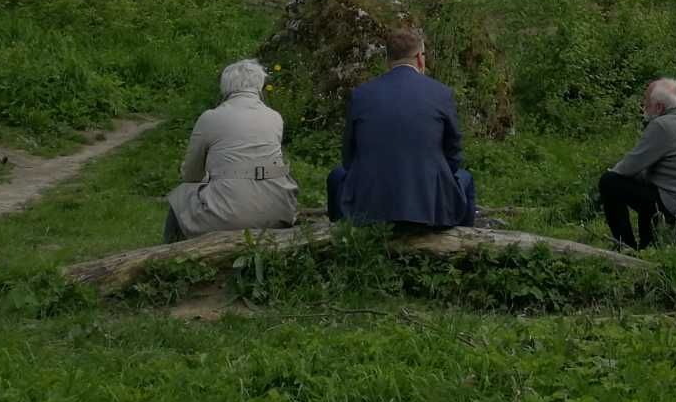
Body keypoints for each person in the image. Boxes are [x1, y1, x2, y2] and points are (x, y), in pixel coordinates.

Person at [327, 27, 476, 229]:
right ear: (420, 58)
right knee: (466, 178)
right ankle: (464, 242)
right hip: (429, 208)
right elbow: (453, 154)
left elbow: (348, 157)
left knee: (336, 176)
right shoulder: (441, 94)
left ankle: (346, 240)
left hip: (369, 208)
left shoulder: (361, 94)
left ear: (388, 60)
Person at [164, 58, 300, 242]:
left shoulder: (210, 118)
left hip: (228, 216)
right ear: (259, 84)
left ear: (225, 86)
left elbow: (191, 175)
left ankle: (167, 258)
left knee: (179, 196)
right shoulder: (275, 117)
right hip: (277, 210)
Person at [599, 77, 676, 249]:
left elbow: (629, 167)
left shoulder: (663, 126)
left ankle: (625, 246)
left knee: (609, 182)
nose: (644, 107)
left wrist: (612, 172)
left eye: (646, 103)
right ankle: (647, 245)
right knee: (646, 190)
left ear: (659, 107)